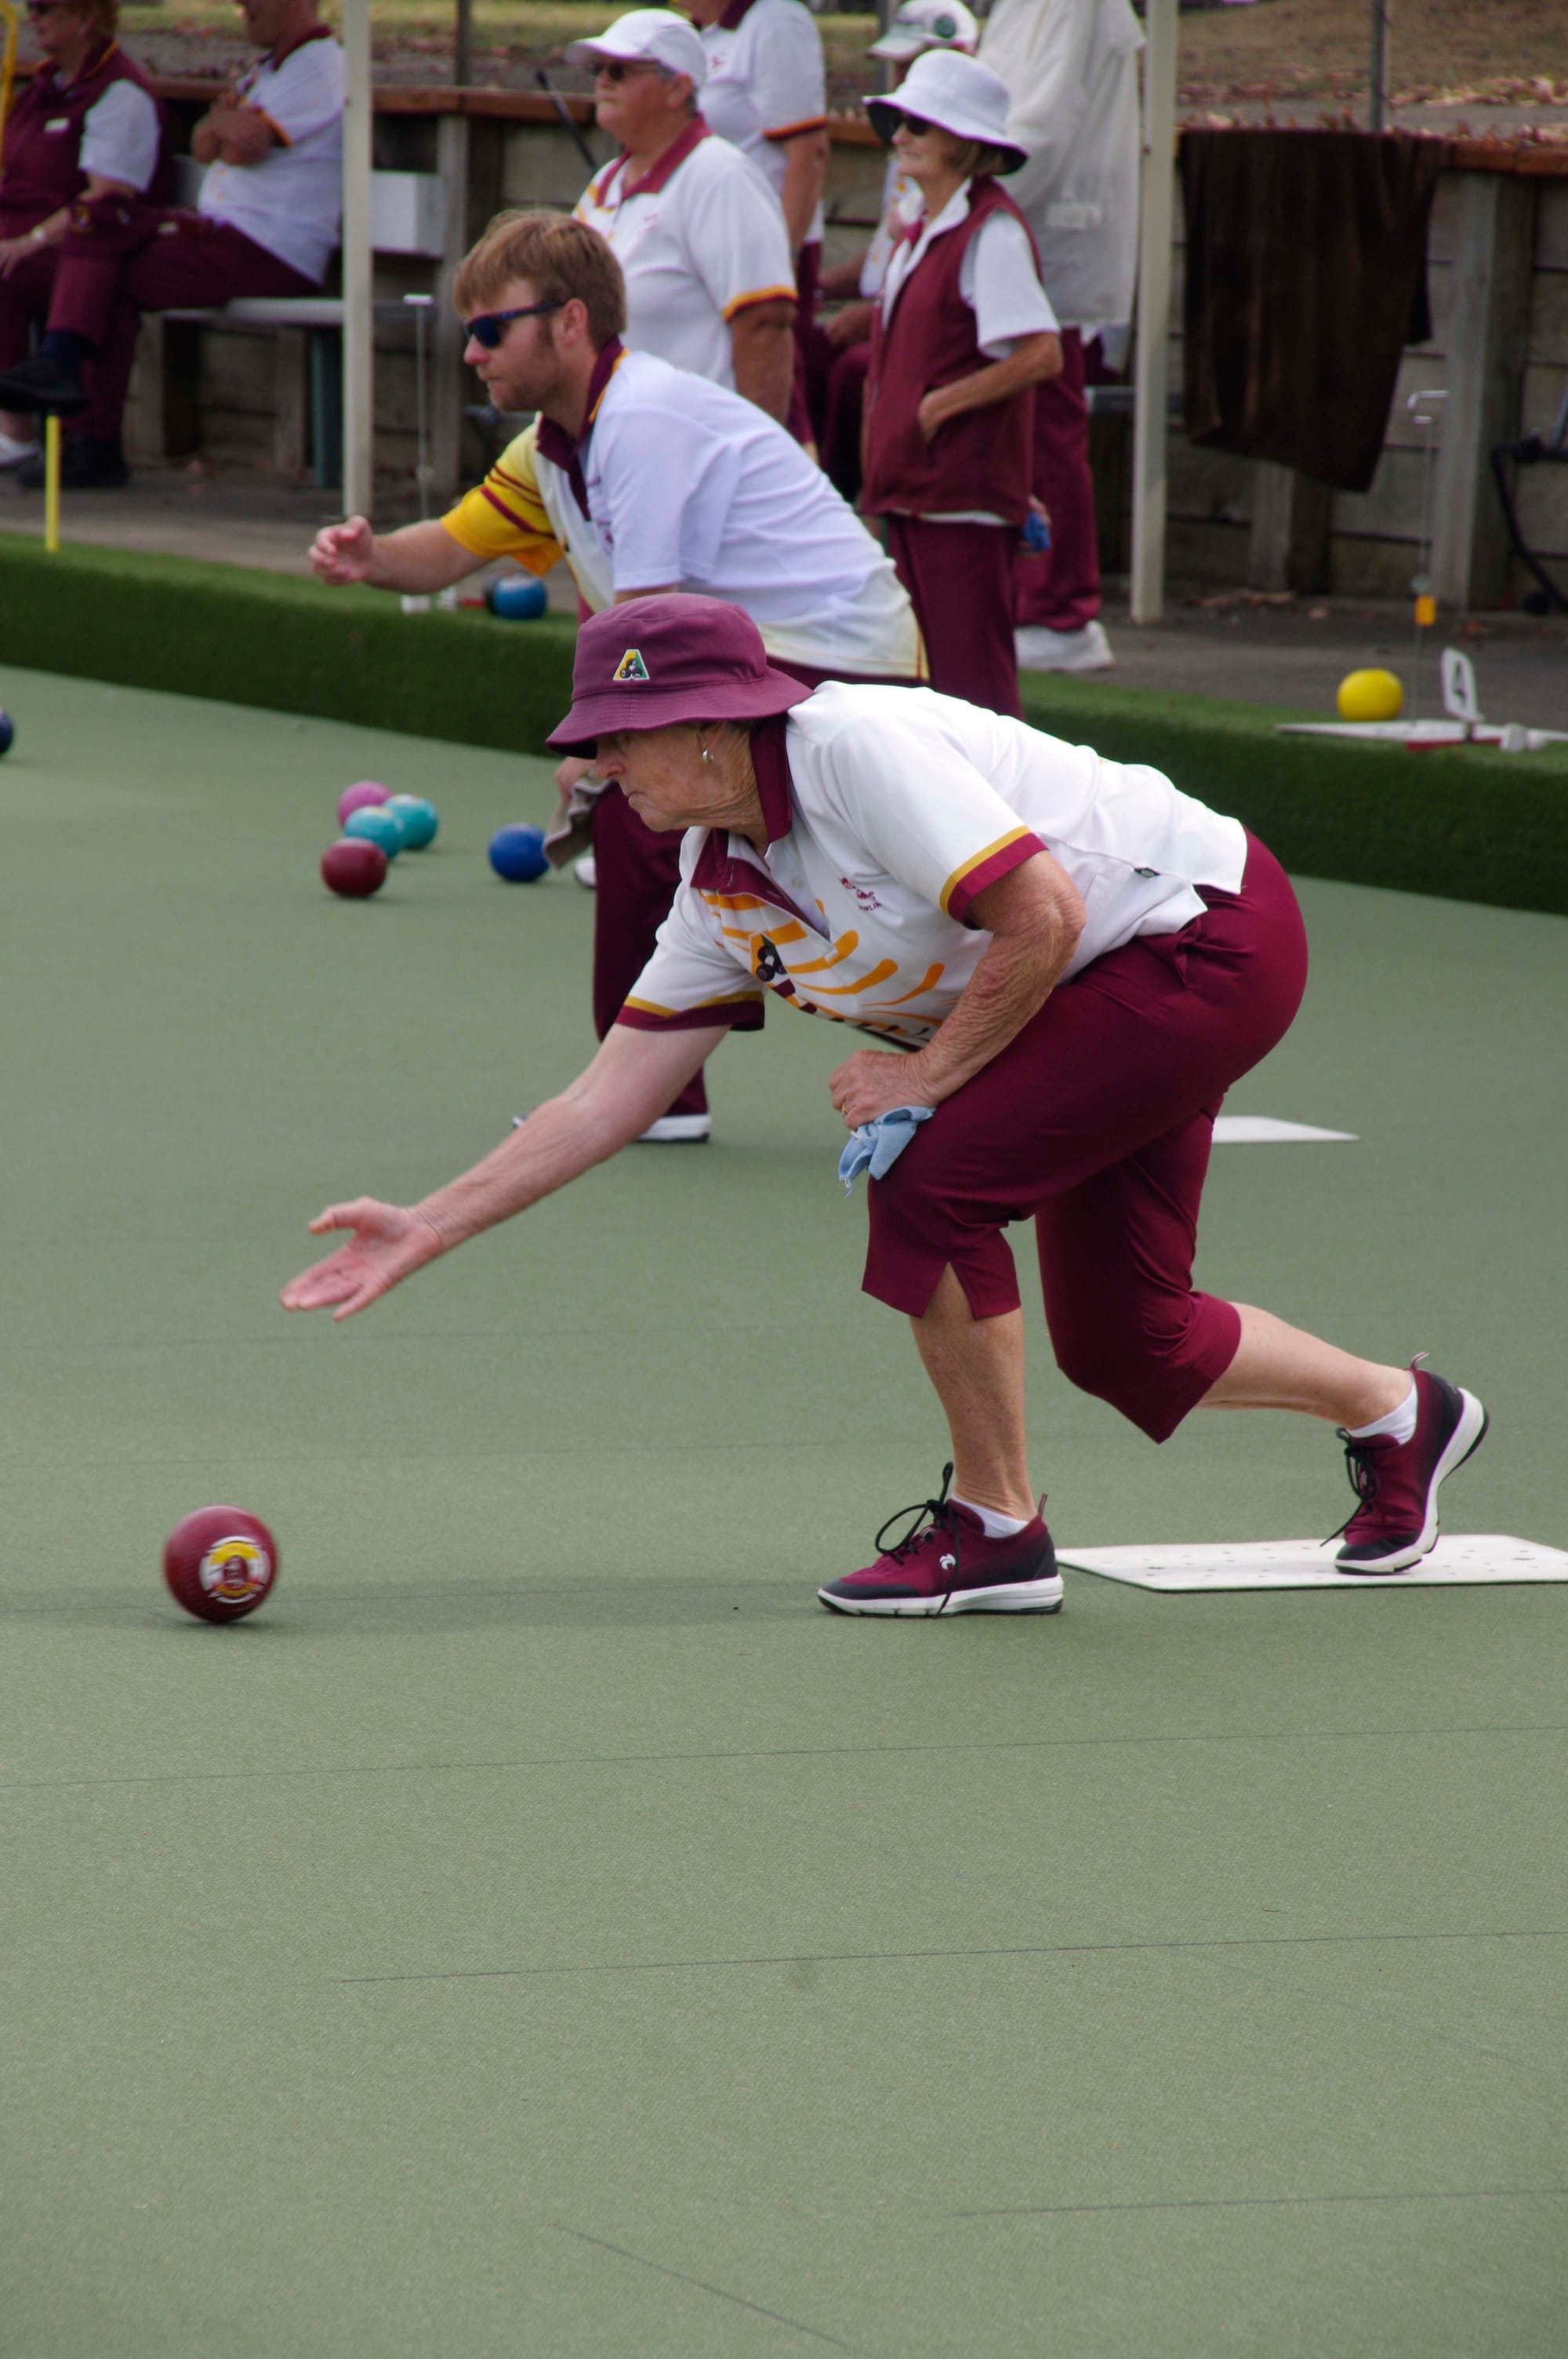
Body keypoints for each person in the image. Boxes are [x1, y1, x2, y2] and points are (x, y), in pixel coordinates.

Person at [281, 594, 1490, 1616]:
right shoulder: (717, 888)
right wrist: (429, 1224)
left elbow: (1046, 916)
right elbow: (605, 1100)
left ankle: (997, 1526)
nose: (594, 764)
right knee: (1127, 1341)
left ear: (711, 728)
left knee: (925, 1169)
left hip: (1204, 940)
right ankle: (1404, 1413)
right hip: (1090, 990)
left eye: (620, 735)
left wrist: (921, 1077)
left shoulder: (851, 750)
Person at [307, 213, 922, 1147]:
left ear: (569, 322)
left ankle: (648, 1099)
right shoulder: (551, 446)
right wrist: (369, 556)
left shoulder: (641, 419)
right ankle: (659, 1094)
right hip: (760, 653)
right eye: (467, 332)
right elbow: (444, 551)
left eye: (490, 330)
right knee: (662, 810)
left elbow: (644, 617)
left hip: (840, 657)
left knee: (647, 803)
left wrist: (600, 751)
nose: (473, 354)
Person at [0, 0, 343, 489]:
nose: (243, 7)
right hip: (221, 231)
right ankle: (80, 420)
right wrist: (221, 126)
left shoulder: (320, 66)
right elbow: (207, 142)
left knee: (105, 254)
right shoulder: (268, 70)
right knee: (101, 234)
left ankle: (80, 416)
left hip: (269, 245)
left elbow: (244, 145)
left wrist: (226, 125)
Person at [859, 50, 1062, 720]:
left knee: (975, 703)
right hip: (918, 495)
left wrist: (941, 405)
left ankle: (1014, 826)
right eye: (901, 119)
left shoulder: (991, 231)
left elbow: (1040, 354)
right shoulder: (925, 229)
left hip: (957, 501)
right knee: (932, 698)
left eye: (923, 121)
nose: (903, 133)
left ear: (966, 142)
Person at [978, 0, 1144, 675]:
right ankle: (1027, 599)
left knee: (1046, 426)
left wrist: (967, 184)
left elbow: (1037, 126)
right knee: (1023, 429)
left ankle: (1061, 609)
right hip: (1014, 225)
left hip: (1044, 233)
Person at [567, 9, 797, 425]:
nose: (602, 81)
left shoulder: (721, 177)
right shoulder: (606, 183)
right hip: (614, 451)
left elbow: (765, 326)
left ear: (677, 89)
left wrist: (753, 463)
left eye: (618, 71)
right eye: (597, 70)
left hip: (697, 457)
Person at [808, 0, 978, 503]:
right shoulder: (909, 143)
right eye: (899, 67)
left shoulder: (952, 158)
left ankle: (849, 504)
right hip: (884, 309)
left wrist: (875, 316)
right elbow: (887, 253)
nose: (900, 80)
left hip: (926, 334)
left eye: (913, 66)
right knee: (807, 349)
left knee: (853, 372)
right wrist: (818, 285)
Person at [0, 0, 167, 483]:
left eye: (45, 8)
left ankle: (20, 433)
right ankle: (15, 432)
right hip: (29, 239)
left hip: (83, 246)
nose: (34, 18)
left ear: (86, 18)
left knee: (22, 269)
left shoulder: (119, 93)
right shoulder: (45, 86)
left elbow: (105, 200)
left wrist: (30, 240)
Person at [684, 0, 829, 442]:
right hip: (706, 248)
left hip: (766, 253)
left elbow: (809, 154)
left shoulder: (776, 23)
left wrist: (782, 257)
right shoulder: (696, 35)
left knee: (781, 400)